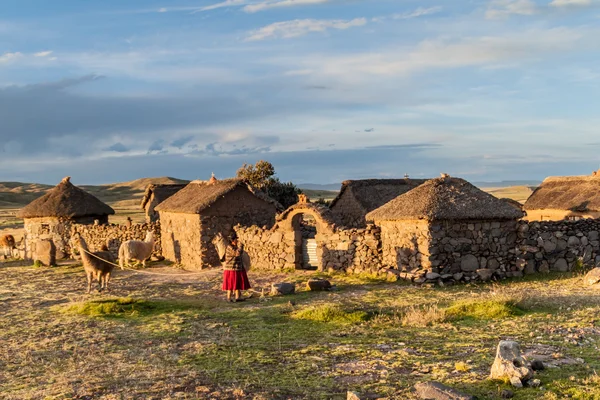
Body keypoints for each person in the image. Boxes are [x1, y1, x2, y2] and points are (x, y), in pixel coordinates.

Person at [221, 232, 251, 302]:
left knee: (237, 283)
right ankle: (228, 297)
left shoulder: (234, 247)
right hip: (231, 269)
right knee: (230, 284)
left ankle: (238, 297)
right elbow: (237, 253)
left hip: (236, 268)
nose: (237, 241)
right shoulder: (230, 248)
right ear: (233, 240)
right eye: (236, 240)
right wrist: (241, 246)